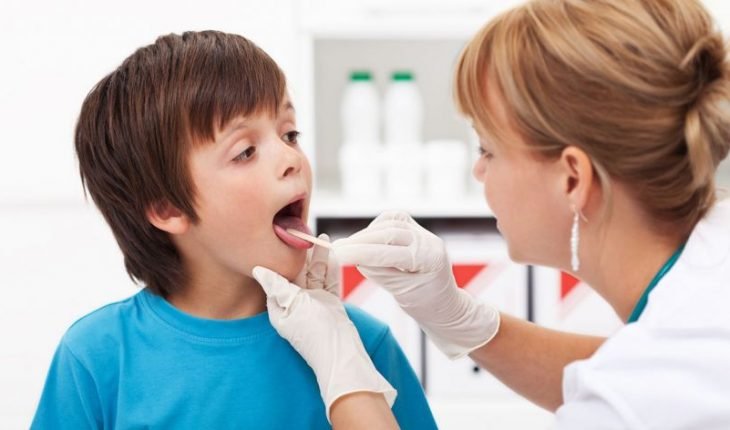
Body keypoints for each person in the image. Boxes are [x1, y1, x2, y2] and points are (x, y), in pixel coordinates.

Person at [254, 0, 730, 428]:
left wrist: (345, 374)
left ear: (572, 179)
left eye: (487, 149)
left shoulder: (631, 408)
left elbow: (635, 393)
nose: (477, 170)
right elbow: (635, 372)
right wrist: (460, 318)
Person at [31, 30, 437, 429]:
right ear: (168, 207)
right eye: (245, 152)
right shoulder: (96, 360)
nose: (292, 159)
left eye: (290, 134)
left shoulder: (357, 349)